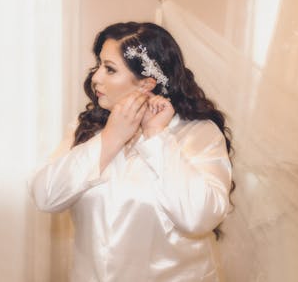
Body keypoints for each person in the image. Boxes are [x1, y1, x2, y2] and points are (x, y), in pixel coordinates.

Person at [30, 22, 234, 281]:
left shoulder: (198, 134)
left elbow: (198, 218)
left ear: (146, 83)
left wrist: (156, 137)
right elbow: (44, 196)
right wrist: (110, 138)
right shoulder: (87, 129)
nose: (96, 78)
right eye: (99, 65)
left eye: (109, 69)